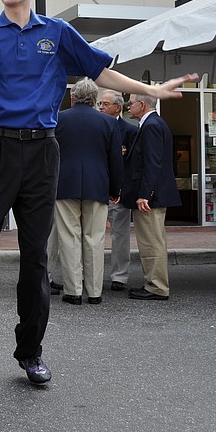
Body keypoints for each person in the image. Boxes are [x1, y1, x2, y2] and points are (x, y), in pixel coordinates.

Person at [0, 0, 196, 385]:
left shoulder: (56, 32)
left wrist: (152, 89)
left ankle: (30, 353)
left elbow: (103, 73)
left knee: (36, 256)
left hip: (41, 152)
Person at [54, 78, 122, 306]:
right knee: (95, 239)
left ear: (73, 97)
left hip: (64, 184)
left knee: (69, 237)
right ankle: (94, 292)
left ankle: (73, 290)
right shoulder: (109, 123)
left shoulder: (59, 119)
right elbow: (115, 160)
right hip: (97, 185)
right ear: (95, 99)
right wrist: (115, 189)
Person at [122, 94, 180, 301]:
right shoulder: (153, 124)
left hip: (149, 197)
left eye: (131, 103)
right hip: (151, 195)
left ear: (142, 104)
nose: (128, 106)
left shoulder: (152, 125)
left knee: (151, 242)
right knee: (153, 241)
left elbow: (153, 163)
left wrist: (145, 194)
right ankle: (154, 283)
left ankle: (156, 287)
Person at [98, 89, 138, 291]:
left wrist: (123, 189)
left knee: (120, 235)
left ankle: (119, 276)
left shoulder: (130, 131)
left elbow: (131, 164)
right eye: (100, 104)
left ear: (117, 107)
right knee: (91, 234)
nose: (101, 107)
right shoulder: (94, 127)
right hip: (95, 190)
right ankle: (90, 275)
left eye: (105, 104)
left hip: (118, 193)